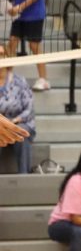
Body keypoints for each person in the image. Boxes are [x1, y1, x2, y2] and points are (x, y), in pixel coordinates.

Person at [0, 44, 36, 172]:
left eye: (1, 55)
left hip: (19, 122)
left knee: (22, 132)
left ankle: (24, 176)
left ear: (8, 58)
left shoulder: (20, 81)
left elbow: (29, 110)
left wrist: (13, 122)